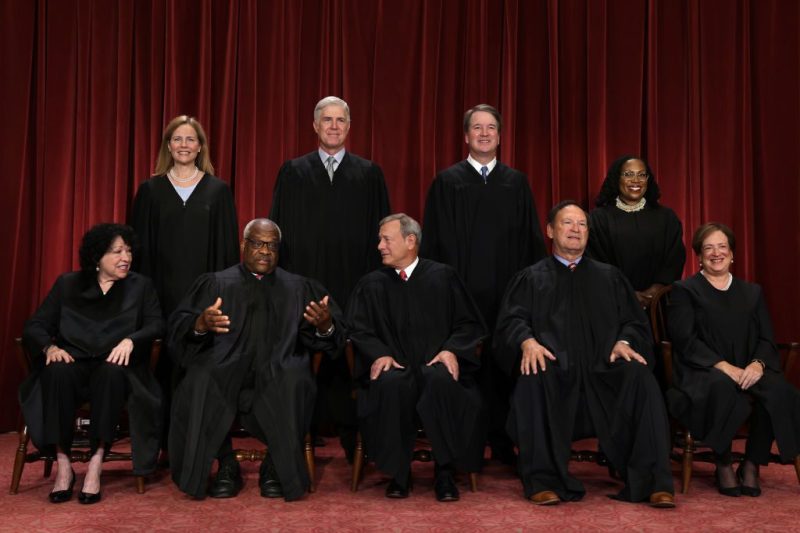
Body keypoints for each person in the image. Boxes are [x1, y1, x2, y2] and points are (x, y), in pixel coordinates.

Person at [494, 201, 675, 508]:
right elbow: (511, 321)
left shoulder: (610, 277)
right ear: (551, 231)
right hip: (555, 369)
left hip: (604, 368)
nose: (575, 230)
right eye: (567, 223)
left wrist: (625, 342)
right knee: (533, 375)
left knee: (640, 377)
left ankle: (651, 481)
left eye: (582, 225)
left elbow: (634, 322)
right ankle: (543, 479)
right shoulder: (531, 278)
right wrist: (527, 342)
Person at [167, 218, 344, 501]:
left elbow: (331, 340)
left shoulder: (299, 288)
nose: (265, 251)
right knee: (199, 380)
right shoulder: (215, 283)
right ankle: (226, 463)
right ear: (243, 245)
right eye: (258, 244)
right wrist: (200, 323)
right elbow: (179, 330)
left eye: (272, 245)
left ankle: (275, 465)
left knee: (295, 380)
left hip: (278, 367)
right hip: (224, 366)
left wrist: (325, 326)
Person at [421, 104, 546, 464]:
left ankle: (505, 439)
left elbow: (531, 242)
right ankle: (464, 444)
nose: (485, 133)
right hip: (461, 295)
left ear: (500, 136)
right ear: (466, 136)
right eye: (477, 128)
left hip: (507, 296)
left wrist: (527, 294)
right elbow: (433, 244)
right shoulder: (447, 182)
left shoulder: (516, 183)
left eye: (491, 127)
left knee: (504, 364)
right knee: (464, 366)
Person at [270, 96, 390, 460]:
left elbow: (383, 235)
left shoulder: (369, 174)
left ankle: (355, 431)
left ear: (349, 127)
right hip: (307, 281)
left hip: (355, 281)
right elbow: (278, 232)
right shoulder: (293, 172)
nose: (334, 126)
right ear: (315, 126)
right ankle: (306, 427)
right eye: (327, 120)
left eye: (340, 120)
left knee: (353, 354)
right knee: (306, 355)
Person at [19, 223, 164, 504]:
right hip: (74, 362)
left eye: (129, 251)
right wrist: (50, 347)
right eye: (117, 252)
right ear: (97, 258)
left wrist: (132, 340)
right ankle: (64, 464)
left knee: (111, 375)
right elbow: (34, 326)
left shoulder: (140, 286)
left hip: (114, 365)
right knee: (56, 372)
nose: (126, 258)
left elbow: (158, 324)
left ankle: (96, 463)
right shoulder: (67, 284)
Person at [347, 214, 487, 501]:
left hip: (434, 364)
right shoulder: (371, 284)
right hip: (395, 367)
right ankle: (399, 474)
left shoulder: (443, 277)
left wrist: (451, 350)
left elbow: (470, 325)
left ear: (410, 241)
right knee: (390, 384)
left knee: (441, 380)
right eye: (380, 240)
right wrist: (380, 353)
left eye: (386, 239)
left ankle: (445, 472)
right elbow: (358, 330)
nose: (379, 246)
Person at [129, 115, 240, 451]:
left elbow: (226, 250)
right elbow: (138, 249)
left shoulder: (218, 190)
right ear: (167, 146)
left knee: (202, 367)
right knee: (162, 367)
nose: (183, 145)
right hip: (160, 295)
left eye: (190, 139)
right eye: (177, 139)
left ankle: (200, 440)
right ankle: (161, 442)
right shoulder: (149, 191)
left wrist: (221, 299)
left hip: (204, 299)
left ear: (200, 146)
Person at [667, 222, 800, 497]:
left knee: (778, 391)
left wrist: (757, 365)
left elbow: (766, 338)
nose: (716, 253)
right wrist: (724, 366)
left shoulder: (752, 293)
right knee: (722, 388)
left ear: (732, 254)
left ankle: (751, 464)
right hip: (703, 369)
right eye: (708, 248)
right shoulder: (685, 290)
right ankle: (724, 462)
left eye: (722, 247)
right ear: (700, 256)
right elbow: (685, 340)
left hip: (748, 366)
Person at [587, 155, 685, 308]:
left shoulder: (666, 217)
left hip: (658, 305)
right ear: (616, 179)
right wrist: (627, 294)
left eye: (641, 174)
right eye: (628, 174)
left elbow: (675, 257)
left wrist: (655, 291)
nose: (636, 180)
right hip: (613, 303)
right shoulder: (598, 219)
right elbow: (595, 262)